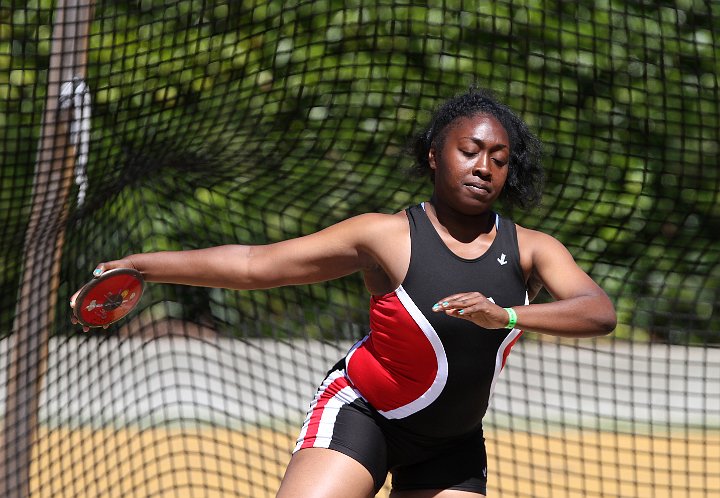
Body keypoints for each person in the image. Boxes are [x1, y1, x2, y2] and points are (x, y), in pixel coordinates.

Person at [71, 88, 616, 497]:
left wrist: (507, 315)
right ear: (433, 154)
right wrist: (144, 266)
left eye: (499, 159)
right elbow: (257, 265)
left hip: (451, 443)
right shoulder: (384, 235)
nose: (484, 168)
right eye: (470, 150)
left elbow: (598, 311)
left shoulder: (530, 249)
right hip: (363, 414)